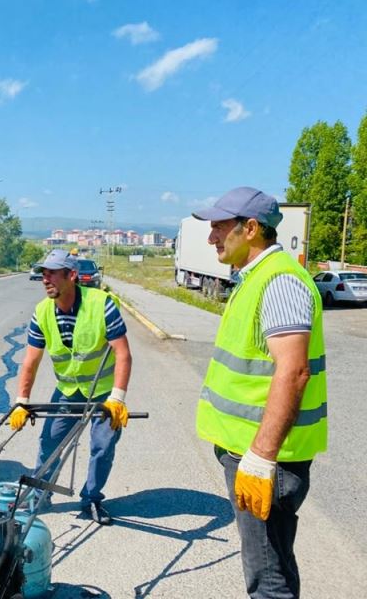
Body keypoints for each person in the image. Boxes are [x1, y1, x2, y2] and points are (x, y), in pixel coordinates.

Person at [193, 187, 327, 599]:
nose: (211, 237)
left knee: (268, 581)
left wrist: (262, 455)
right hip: (251, 453)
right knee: (272, 568)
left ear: (250, 228)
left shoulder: (280, 281)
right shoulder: (255, 278)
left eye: (219, 227)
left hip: (267, 460)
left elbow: (294, 370)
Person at [10, 248, 133, 525]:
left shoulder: (101, 304)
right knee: (49, 441)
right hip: (68, 390)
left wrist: (117, 398)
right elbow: (30, 361)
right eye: (44, 273)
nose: (45, 279)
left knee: (102, 446)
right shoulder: (42, 312)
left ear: (72, 275)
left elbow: (123, 354)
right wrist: (21, 401)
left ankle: (91, 500)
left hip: (103, 391)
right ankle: (41, 495)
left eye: (53, 273)